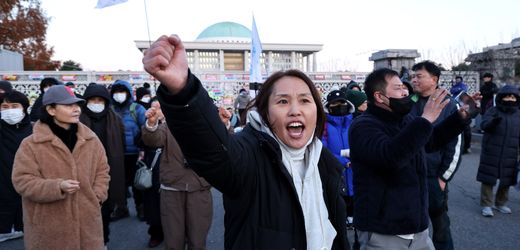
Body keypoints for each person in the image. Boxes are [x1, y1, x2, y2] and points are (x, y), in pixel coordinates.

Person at [143, 35, 349, 250]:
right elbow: (213, 151)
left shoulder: (324, 162)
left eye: (305, 100)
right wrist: (183, 90)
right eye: (282, 101)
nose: (295, 110)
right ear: (265, 112)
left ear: (316, 110)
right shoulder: (249, 155)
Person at [348, 68, 470, 250]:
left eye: (405, 87)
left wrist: (459, 118)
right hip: (383, 231)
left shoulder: (404, 119)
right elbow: (390, 157)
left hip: (417, 227)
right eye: (398, 88)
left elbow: (430, 142)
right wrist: (426, 119)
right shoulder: (363, 126)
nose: (406, 91)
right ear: (380, 97)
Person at [12, 85, 110, 250]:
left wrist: (97, 195)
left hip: (87, 222)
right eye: (68, 105)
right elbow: (22, 181)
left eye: (77, 104)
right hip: (48, 226)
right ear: (51, 110)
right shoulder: (31, 144)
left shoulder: (91, 139)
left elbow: (103, 171)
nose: (76, 109)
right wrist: (57, 186)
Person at [142, 99, 213, 249]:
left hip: (199, 188)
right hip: (172, 188)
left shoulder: (207, 125)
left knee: (198, 240)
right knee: (173, 240)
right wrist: (151, 124)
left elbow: (225, 143)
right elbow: (152, 140)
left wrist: (225, 123)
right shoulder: (168, 125)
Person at [410, 61, 463, 250]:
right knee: (410, 223)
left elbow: (455, 145)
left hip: (434, 177)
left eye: (419, 76)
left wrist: (443, 177)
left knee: (440, 225)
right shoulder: (409, 102)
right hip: (410, 175)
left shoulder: (449, 104)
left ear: (434, 79)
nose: (413, 80)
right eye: (413, 76)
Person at [79, 83, 126, 247]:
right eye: (93, 100)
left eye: (100, 100)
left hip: (106, 172)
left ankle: (103, 241)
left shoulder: (115, 120)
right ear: (86, 101)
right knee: (82, 211)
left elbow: (122, 146)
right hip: (83, 172)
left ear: (106, 102)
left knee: (104, 210)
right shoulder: (77, 120)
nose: (96, 103)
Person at [477, 85, 520, 217]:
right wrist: (493, 123)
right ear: (501, 98)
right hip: (491, 151)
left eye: (513, 97)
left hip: (511, 152)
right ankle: (486, 205)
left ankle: (500, 203)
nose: (510, 99)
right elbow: (483, 125)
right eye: (507, 96)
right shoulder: (493, 111)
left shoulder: (518, 114)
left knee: (506, 179)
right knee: (488, 179)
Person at [109, 79, 147, 221]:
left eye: (122, 92)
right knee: (118, 183)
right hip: (116, 153)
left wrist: (143, 149)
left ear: (128, 93)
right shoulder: (110, 110)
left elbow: (145, 129)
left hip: (136, 153)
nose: (119, 95)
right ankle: (121, 208)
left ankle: (141, 208)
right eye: (116, 92)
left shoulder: (137, 109)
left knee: (138, 183)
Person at [0, 91, 32, 242]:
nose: (9, 110)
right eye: (4, 107)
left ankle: (22, 227)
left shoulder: (36, 129)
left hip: (29, 179)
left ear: (24, 108)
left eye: (14, 106)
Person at [321, 90, 355, 228]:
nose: (339, 105)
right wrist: (343, 162)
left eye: (342, 102)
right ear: (328, 107)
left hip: (355, 172)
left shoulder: (355, 122)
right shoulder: (323, 126)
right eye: (334, 104)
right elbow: (323, 151)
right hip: (336, 173)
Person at [450, 76, 472, 154]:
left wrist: (459, 90)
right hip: (455, 108)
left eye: (459, 79)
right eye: (456, 79)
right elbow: (452, 90)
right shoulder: (454, 86)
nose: (457, 80)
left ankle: (467, 146)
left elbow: (464, 90)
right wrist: (458, 89)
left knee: (466, 130)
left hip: (464, 108)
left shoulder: (464, 86)